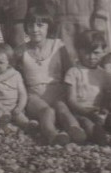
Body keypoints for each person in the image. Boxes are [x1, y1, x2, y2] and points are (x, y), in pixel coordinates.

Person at [18, 8, 75, 145]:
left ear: (49, 26)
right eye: (30, 25)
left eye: (40, 25)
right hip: (34, 96)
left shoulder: (59, 46)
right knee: (46, 111)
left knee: (63, 110)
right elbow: (15, 76)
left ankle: (75, 129)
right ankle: (52, 134)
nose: (35, 29)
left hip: (57, 93)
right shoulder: (21, 51)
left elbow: (71, 72)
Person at [64, 29, 111, 145]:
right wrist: (87, 112)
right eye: (87, 53)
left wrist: (104, 110)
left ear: (103, 52)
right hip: (81, 112)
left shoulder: (104, 74)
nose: (91, 57)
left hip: (99, 111)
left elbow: (108, 96)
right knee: (88, 124)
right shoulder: (73, 72)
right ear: (78, 52)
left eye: (96, 53)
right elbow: (71, 100)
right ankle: (103, 140)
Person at [0, 43, 34, 131]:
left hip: (14, 106)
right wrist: (2, 108)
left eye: (1, 63)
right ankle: (3, 125)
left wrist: (19, 107)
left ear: (9, 62)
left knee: (20, 116)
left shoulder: (16, 75)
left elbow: (23, 94)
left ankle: (27, 125)